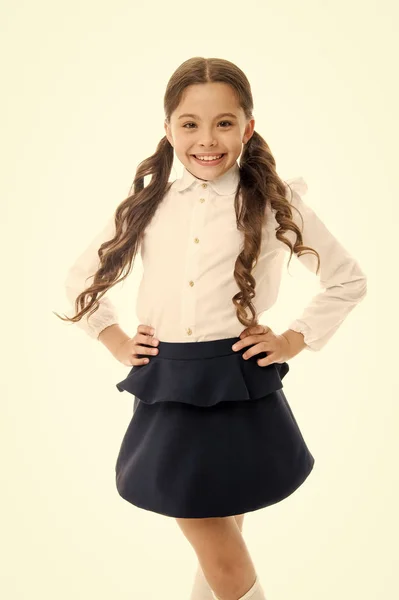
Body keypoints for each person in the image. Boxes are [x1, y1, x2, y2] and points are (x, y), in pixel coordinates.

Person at [54, 57, 367, 600]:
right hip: (168, 382)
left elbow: (346, 281)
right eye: (189, 123)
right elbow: (81, 281)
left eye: (224, 123)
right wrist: (116, 340)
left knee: (224, 549)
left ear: (248, 127)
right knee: (217, 544)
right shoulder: (148, 206)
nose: (207, 139)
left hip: (240, 381)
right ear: (169, 129)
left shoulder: (273, 203)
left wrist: (293, 338)